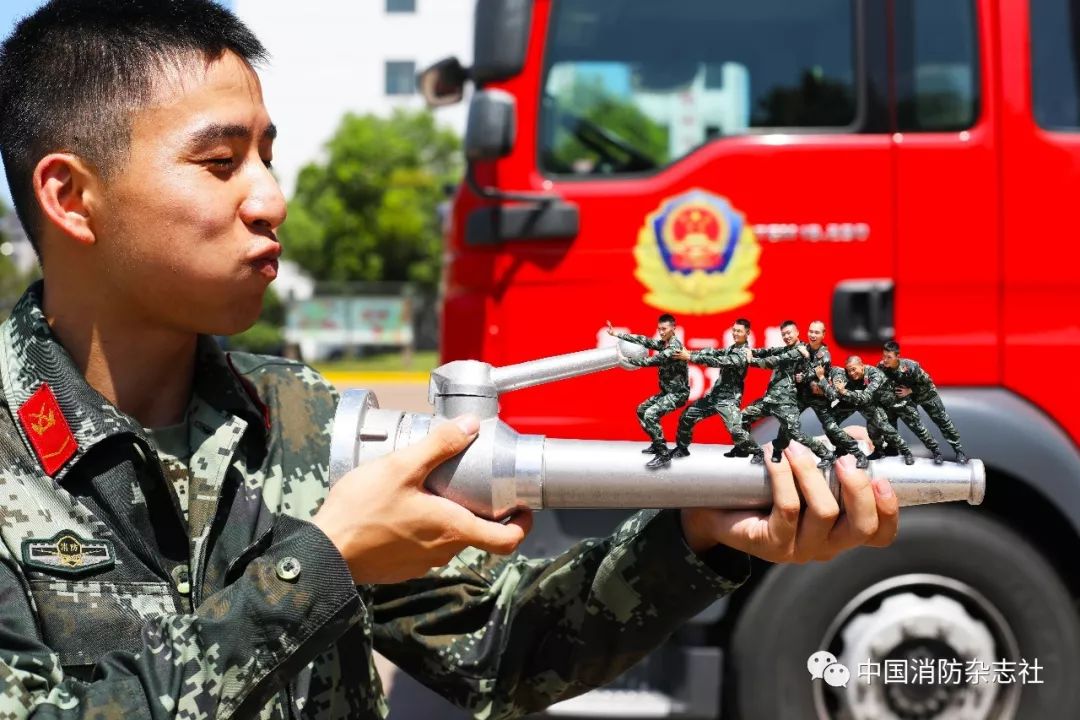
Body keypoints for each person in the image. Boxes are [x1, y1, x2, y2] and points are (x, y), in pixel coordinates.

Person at [0, 2, 899, 717]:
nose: (271, 198)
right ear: (71, 196)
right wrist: (322, 567)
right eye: (221, 162)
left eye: (268, 156)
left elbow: (506, 648)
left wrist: (696, 538)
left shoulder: (300, 422)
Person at [741, 321, 836, 469]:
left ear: (797, 332)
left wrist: (750, 360)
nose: (786, 336)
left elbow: (773, 361)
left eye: (789, 333)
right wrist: (750, 351)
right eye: (783, 334)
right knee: (742, 418)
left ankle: (826, 454)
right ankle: (757, 452)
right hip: (770, 400)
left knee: (794, 433)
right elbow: (770, 351)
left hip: (786, 402)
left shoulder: (800, 350)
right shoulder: (787, 349)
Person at [671, 318, 762, 463]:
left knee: (736, 431)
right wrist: (691, 352)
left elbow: (719, 361)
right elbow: (714, 353)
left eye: (739, 331)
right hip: (714, 397)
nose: (735, 333)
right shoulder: (731, 348)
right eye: (734, 330)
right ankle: (682, 448)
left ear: (747, 333)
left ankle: (758, 452)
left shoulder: (744, 353)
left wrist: (690, 357)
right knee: (687, 416)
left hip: (728, 400)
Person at [607, 315, 690, 468]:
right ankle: (657, 443)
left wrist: (625, 360)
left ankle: (663, 454)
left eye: (664, 329)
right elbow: (644, 340)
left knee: (651, 415)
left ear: (673, 329)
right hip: (667, 392)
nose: (661, 332)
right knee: (641, 410)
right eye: (659, 329)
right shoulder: (664, 343)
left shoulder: (674, 347)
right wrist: (616, 334)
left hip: (678, 394)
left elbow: (652, 361)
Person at [795, 320, 870, 469]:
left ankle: (859, 454)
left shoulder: (829, 364)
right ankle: (834, 452)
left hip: (835, 399)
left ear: (823, 335)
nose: (813, 335)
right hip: (811, 396)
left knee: (831, 428)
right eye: (811, 331)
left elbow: (825, 387)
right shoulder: (804, 349)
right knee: (792, 422)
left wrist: (812, 378)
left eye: (817, 332)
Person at [879, 341, 967, 464]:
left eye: (889, 357)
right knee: (908, 423)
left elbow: (927, 382)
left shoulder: (911, 367)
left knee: (943, 422)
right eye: (884, 356)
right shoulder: (882, 367)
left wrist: (910, 390)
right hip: (907, 399)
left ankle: (958, 450)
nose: (885, 360)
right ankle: (893, 449)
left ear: (897, 356)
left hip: (926, 395)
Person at [826, 356, 917, 465]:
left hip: (869, 402)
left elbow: (866, 397)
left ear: (861, 366)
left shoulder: (874, 374)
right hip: (851, 401)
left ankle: (905, 451)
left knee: (880, 427)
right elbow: (836, 372)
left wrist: (844, 391)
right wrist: (835, 384)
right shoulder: (845, 374)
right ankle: (844, 446)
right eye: (849, 370)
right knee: (829, 422)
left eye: (854, 369)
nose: (851, 373)